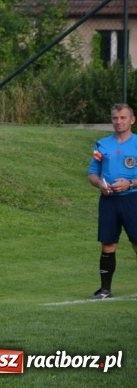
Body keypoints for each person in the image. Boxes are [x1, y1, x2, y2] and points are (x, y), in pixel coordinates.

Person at [86, 103, 137, 300]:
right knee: (108, 245)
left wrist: (130, 184)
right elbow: (92, 173)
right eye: (115, 118)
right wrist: (100, 184)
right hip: (109, 201)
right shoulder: (102, 145)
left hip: (133, 199)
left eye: (123, 118)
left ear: (132, 120)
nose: (119, 121)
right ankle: (105, 290)